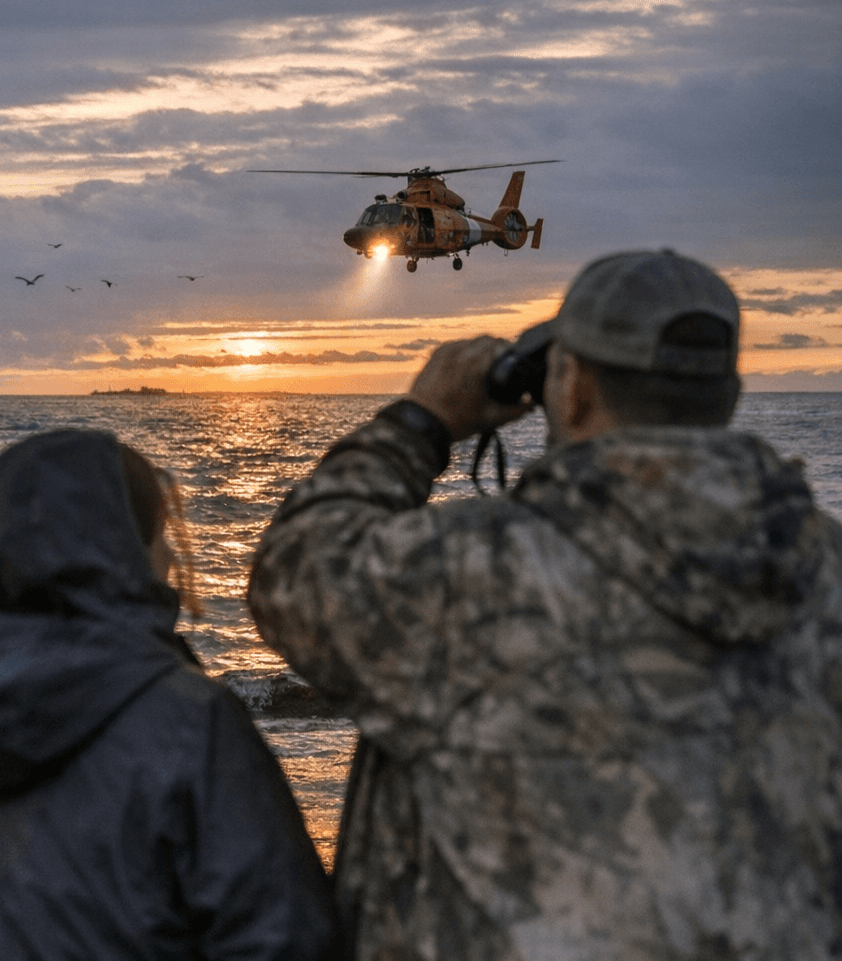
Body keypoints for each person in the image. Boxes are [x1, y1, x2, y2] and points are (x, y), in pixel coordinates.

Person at [248, 249, 842, 960]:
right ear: (730, 394)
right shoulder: (826, 566)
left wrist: (420, 422)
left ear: (574, 387)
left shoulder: (476, 571)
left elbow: (297, 570)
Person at [0, 429, 337, 960]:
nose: (169, 551)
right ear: (122, 547)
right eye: (159, 531)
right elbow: (287, 936)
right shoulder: (191, 721)